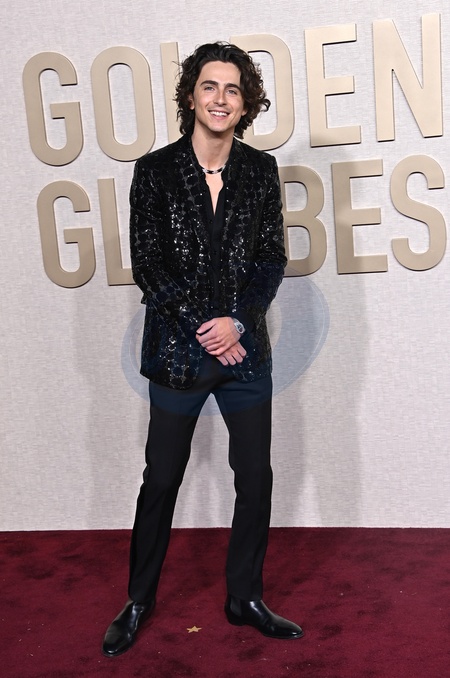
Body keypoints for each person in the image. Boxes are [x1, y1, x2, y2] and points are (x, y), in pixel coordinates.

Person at [102, 41, 303, 658]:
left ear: (245, 104)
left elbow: (271, 258)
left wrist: (238, 322)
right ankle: (138, 601)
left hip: (245, 356)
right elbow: (149, 266)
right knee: (161, 477)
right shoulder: (155, 171)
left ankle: (244, 597)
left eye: (233, 89)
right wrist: (203, 325)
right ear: (191, 95)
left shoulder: (260, 171)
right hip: (177, 354)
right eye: (210, 86)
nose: (220, 98)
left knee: (256, 477)